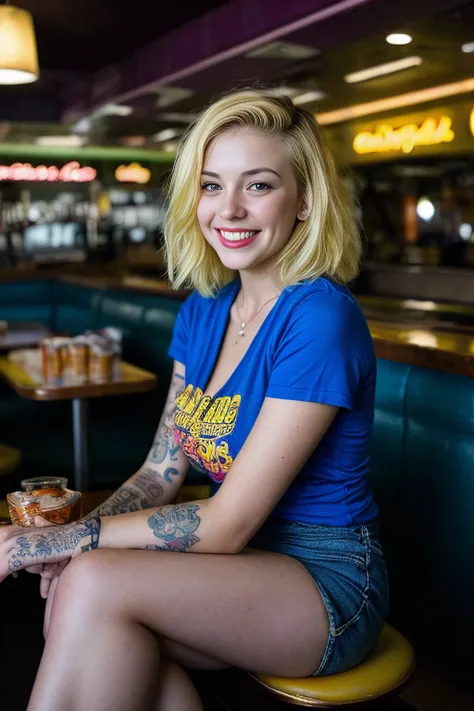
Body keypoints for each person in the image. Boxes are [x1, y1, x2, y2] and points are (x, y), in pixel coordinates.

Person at [0, 90, 388, 711]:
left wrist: (51, 542)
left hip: (325, 582)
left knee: (92, 578)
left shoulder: (320, 318)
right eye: (211, 185)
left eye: (258, 186)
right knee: (88, 587)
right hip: (234, 567)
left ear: (306, 199)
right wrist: (80, 536)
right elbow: (160, 473)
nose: (228, 209)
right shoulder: (203, 312)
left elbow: (228, 523)